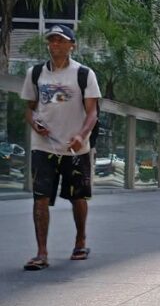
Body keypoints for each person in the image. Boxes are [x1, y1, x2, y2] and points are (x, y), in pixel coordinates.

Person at [19, 24, 101, 270]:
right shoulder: (35, 73)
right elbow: (29, 110)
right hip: (43, 146)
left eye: (60, 40)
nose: (54, 44)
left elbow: (92, 113)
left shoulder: (84, 74)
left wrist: (81, 136)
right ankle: (41, 253)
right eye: (51, 40)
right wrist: (34, 124)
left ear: (71, 45)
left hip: (76, 148)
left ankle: (80, 241)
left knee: (78, 197)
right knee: (40, 198)